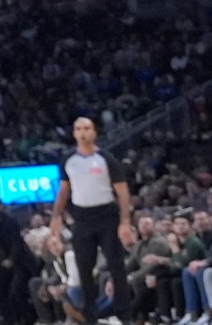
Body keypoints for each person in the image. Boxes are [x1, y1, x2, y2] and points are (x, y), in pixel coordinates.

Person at [48, 119, 132, 325]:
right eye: (78, 129)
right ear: (74, 134)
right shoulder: (68, 159)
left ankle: (123, 314)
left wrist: (125, 222)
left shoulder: (106, 158)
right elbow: (64, 191)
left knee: (116, 265)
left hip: (107, 215)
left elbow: (122, 191)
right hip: (82, 217)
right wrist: (55, 217)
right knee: (84, 267)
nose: (82, 133)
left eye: (86, 128)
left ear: (94, 132)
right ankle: (89, 316)